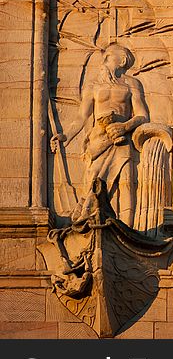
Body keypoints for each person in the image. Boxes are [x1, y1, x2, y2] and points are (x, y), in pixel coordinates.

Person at [50, 43, 148, 227]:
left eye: (112, 56)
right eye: (109, 56)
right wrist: (66, 136)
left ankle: (128, 227)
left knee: (126, 182)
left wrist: (125, 126)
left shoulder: (132, 83)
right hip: (98, 141)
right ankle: (90, 221)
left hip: (121, 140)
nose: (107, 60)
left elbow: (143, 115)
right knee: (93, 185)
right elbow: (81, 117)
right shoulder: (93, 85)